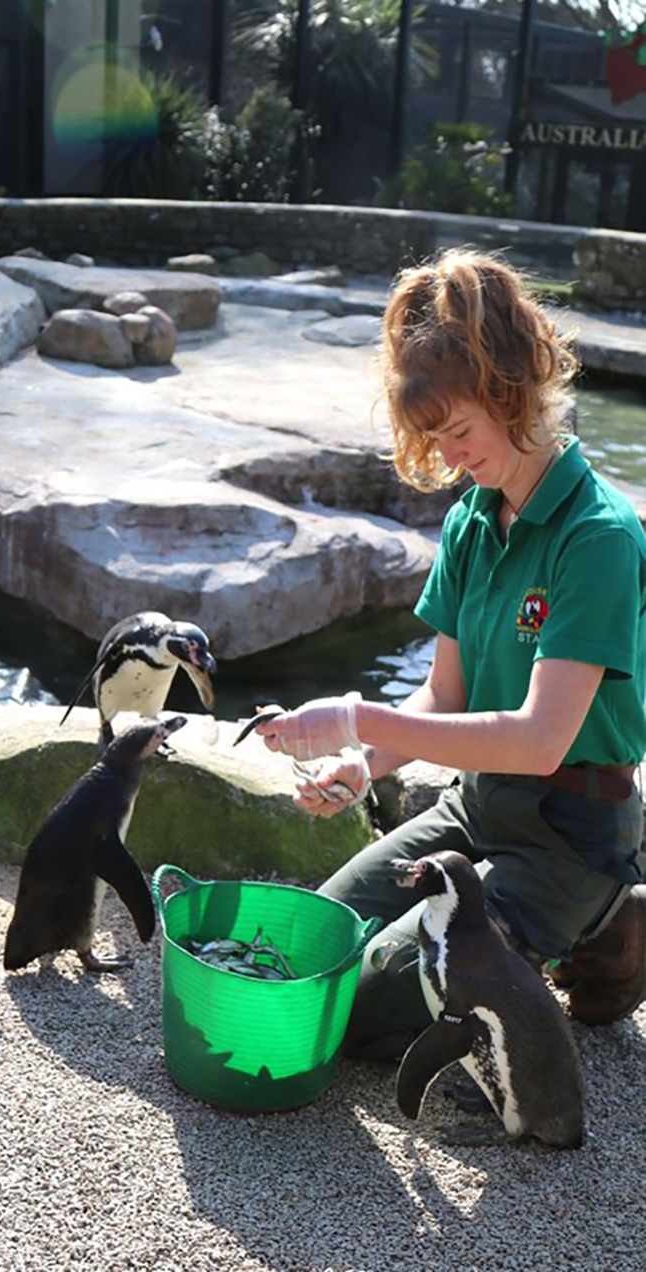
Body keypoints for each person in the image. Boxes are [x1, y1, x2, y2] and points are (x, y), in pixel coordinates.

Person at [255, 248, 646, 1060]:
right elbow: (443, 697)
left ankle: (605, 916)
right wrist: (365, 766)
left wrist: (357, 714)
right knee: (313, 947)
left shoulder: (599, 538)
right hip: (475, 809)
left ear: (516, 387)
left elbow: (541, 739)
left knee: (359, 1009)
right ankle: (563, 936)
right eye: (435, 437)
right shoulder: (473, 520)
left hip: (570, 831)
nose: (452, 456)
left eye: (460, 430)